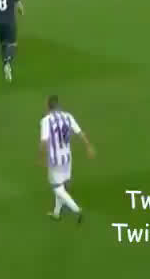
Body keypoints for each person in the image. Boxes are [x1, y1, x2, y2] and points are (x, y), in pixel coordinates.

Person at [40, 94, 95, 222]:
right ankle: (56, 214)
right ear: (58, 105)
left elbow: (43, 141)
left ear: (48, 106)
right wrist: (89, 146)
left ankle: (76, 209)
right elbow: (80, 133)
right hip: (67, 157)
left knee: (57, 188)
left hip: (55, 159)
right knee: (61, 185)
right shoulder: (68, 116)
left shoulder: (46, 120)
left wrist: (40, 157)